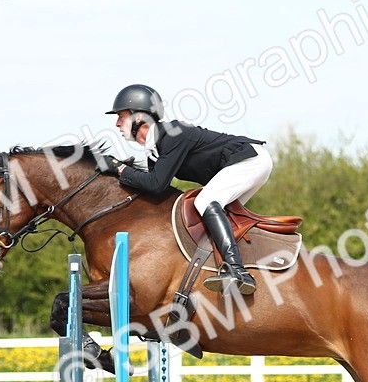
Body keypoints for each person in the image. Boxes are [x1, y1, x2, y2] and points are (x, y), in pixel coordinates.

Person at [101, 84, 271, 295]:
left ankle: (237, 272)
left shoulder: (174, 134)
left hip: (250, 159)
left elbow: (156, 183)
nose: (117, 123)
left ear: (139, 117)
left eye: (121, 116)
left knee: (205, 202)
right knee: (214, 216)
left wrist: (120, 168)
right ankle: (231, 267)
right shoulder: (155, 149)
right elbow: (155, 191)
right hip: (247, 162)